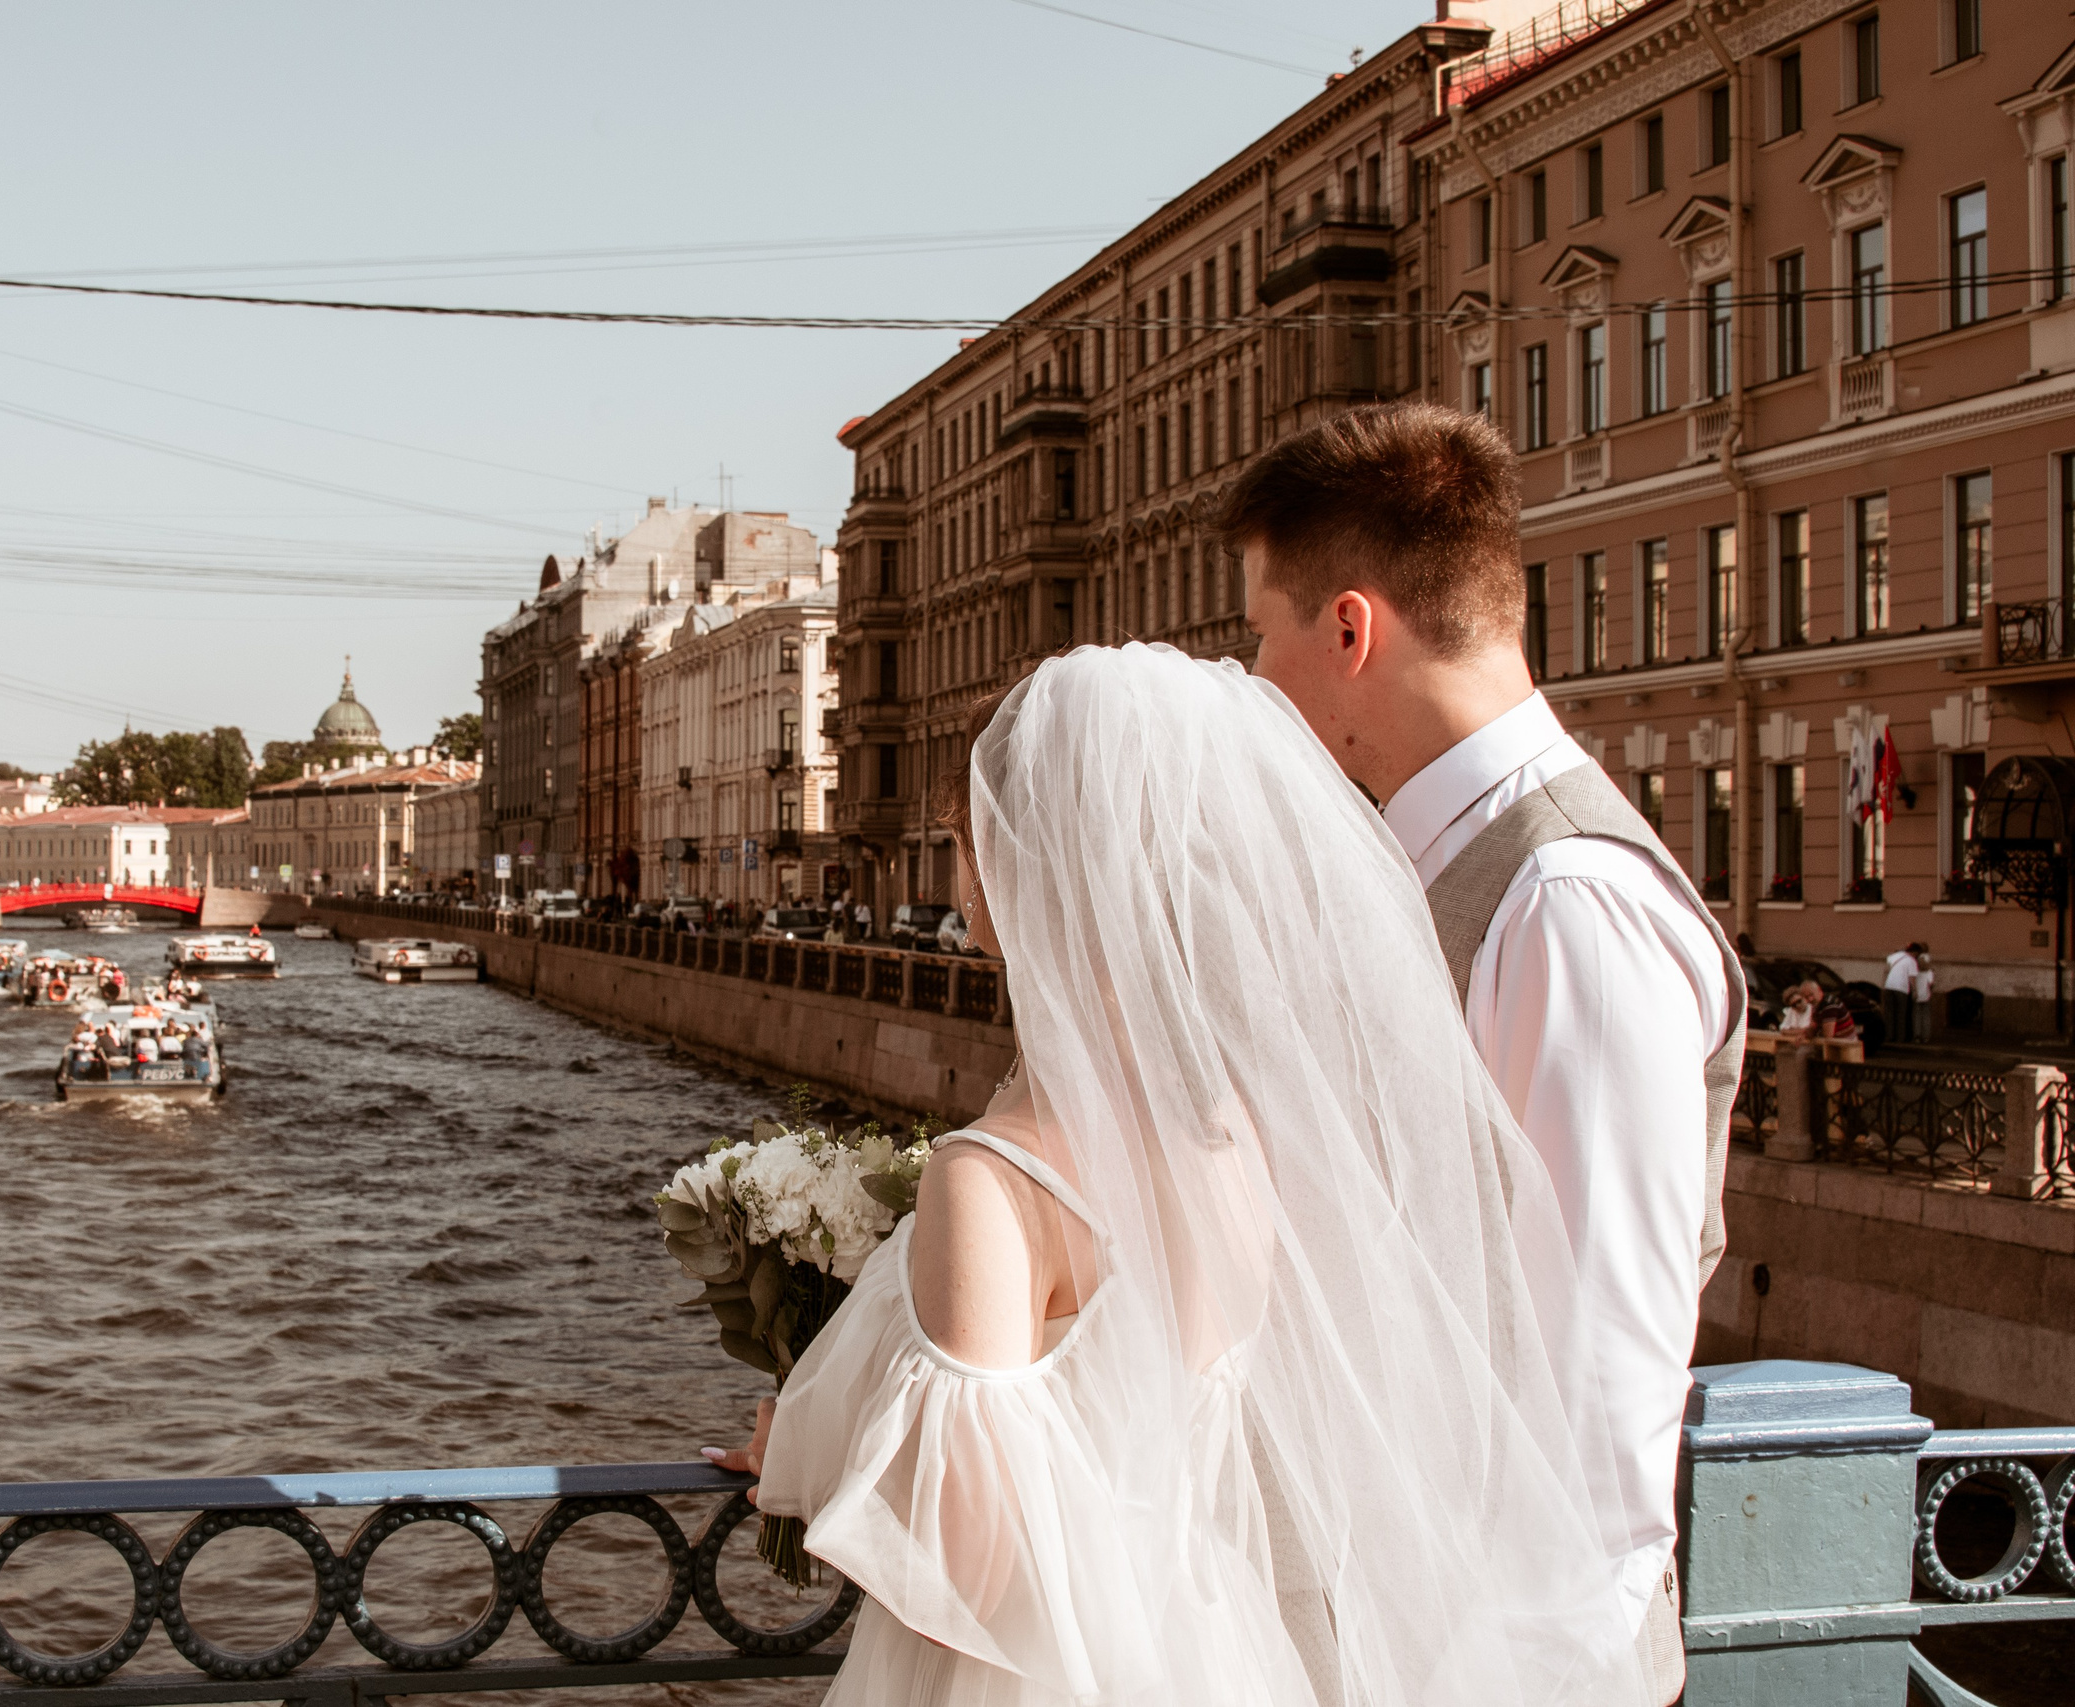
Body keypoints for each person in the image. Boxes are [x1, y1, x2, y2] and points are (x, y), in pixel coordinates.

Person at [713, 648, 1648, 1707]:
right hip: (1215, 1642)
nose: (955, 878)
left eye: (960, 844)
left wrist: (816, 1454)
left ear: (1015, 866)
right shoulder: (1243, 1143)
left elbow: (976, 1556)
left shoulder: (992, 1178)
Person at [1214, 402, 1741, 1703]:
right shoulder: (1446, 869)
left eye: (1261, 635)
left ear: (1348, 628)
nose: (1252, 678)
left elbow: (1592, 1395)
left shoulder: (1569, 902)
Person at [1884, 941, 1923, 1044]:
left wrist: (1883, 984)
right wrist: (1915, 991)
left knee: (1889, 1013)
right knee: (1901, 1014)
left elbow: (1887, 969)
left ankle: (1889, 1036)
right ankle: (1900, 1038)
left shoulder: (1894, 956)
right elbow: (1912, 978)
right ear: (1915, 952)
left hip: (1889, 986)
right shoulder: (1912, 961)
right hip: (1902, 988)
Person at [1912, 949, 1936, 1043]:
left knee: (1916, 1016)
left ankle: (1917, 1036)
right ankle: (1926, 1036)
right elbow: (1931, 984)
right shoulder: (1929, 972)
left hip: (1917, 995)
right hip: (1926, 995)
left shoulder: (1915, 971)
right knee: (1926, 1016)